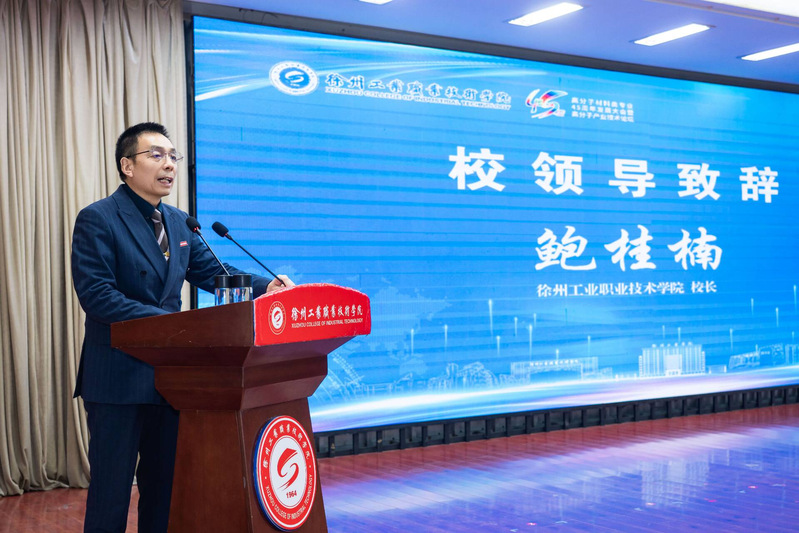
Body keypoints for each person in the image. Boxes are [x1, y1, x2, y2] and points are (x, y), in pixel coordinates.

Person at [71, 122, 292, 532]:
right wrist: (171, 325)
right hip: (117, 378)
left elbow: (214, 272)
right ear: (127, 166)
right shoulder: (99, 218)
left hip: (171, 380)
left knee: (165, 491)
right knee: (111, 493)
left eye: (173, 156)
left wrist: (267, 286)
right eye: (156, 155)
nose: (169, 164)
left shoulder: (178, 222)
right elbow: (97, 296)